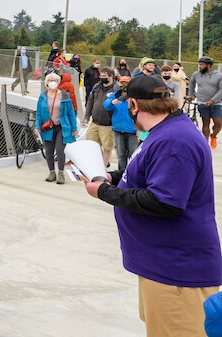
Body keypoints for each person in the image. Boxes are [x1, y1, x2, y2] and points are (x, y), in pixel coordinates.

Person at [84, 75, 221, 337]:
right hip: (161, 265)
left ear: (133, 105)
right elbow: (146, 172)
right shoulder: (164, 132)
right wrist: (111, 177)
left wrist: (104, 192)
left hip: (176, 272)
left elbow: (164, 201)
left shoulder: (174, 140)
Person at [34, 73, 78, 184]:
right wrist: (37, 126)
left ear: (58, 82)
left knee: (59, 149)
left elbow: (70, 112)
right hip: (48, 127)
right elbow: (38, 112)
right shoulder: (43, 96)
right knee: (49, 150)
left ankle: (61, 173)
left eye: (54, 80)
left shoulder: (64, 95)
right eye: (50, 80)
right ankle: (52, 173)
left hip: (61, 127)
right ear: (47, 82)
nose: (52, 82)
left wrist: (74, 127)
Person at [84, 68, 117, 168]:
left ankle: (103, 166)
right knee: (92, 145)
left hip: (108, 124)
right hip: (94, 122)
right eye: (101, 76)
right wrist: (87, 116)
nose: (102, 78)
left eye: (105, 76)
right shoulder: (96, 87)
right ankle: (96, 164)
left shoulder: (116, 89)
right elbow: (90, 101)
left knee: (107, 147)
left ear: (111, 76)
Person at [188, 56, 222, 150]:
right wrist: (191, 95)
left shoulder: (219, 75)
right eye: (199, 64)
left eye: (201, 65)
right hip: (202, 102)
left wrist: (212, 100)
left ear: (209, 65)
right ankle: (205, 145)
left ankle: (214, 136)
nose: (200, 66)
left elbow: (221, 89)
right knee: (205, 123)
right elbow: (191, 84)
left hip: (216, 103)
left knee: (218, 123)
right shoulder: (196, 74)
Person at [104, 76, 137, 171]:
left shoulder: (134, 97)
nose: (124, 85)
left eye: (126, 83)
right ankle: (121, 174)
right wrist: (112, 102)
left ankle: (132, 173)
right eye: (122, 83)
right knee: (121, 154)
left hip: (132, 130)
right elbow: (106, 106)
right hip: (118, 129)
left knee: (132, 154)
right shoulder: (115, 95)